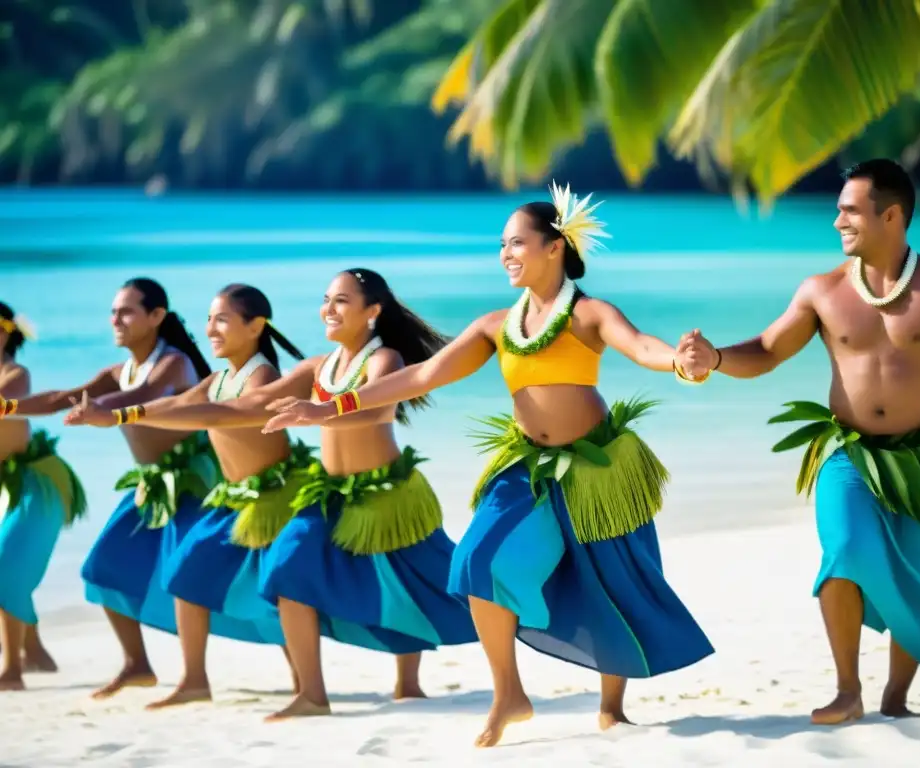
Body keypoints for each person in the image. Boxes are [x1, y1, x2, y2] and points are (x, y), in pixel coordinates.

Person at [263, 183, 715, 747]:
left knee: (606, 576)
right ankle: (509, 694)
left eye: (516, 242)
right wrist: (329, 407)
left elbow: (642, 346)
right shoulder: (496, 325)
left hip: (598, 464)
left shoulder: (590, 314)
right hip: (525, 465)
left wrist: (680, 361)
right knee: (476, 559)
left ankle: (611, 708)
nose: (505, 253)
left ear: (555, 247)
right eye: (501, 244)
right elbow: (422, 377)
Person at [676, 159, 920, 725]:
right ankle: (846, 689)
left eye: (849, 210)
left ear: (891, 215)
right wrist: (713, 359)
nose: (837, 220)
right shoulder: (823, 291)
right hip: (849, 453)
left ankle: (896, 696)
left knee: (918, 575)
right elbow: (766, 350)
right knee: (843, 553)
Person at [89, 269, 478, 721]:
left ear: (372, 312)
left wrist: (318, 414)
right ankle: (312, 694)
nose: (328, 309)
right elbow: (248, 405)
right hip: (329, 493)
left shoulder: (383, 359)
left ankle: (410, 680)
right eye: (326, 299)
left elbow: (377, 410)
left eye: (342, 301)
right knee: (287, 570)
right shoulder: (316, 367)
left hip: (386, 493)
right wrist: (124, 414)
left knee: (408, 577)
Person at [65, 284, 308, 709]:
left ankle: (309, 685)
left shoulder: (263, 375)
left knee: (278, 593)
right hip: (232, 498)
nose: (210, 329)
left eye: (222, 320)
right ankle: (195, 680)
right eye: (209, 319)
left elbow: (223, 413)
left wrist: (121, 413)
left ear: (255, 326)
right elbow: (174, 405)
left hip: (273, 499)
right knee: (185, 575)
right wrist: (117, 416)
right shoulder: (218, 378)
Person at [2, 278, 218, 698]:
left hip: (193, 483)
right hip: (151, 486)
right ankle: (137, 665)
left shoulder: (173, 363)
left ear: (157, 317)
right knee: (102, 568)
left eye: (127, 311)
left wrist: (100, 408)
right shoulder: (118, 372)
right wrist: (8, 406)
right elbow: (60, 398)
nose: (115, 319)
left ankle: (198, 679)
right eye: (113, 312)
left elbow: (147, 396)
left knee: (197, 576)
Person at [0, 305, 86, 690]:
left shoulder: (16, 375)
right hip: (5, 489)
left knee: (6, 570)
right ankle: (34, 652)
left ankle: (13, 670)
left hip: (37, 484)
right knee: (9, 568)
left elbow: (7, 402)